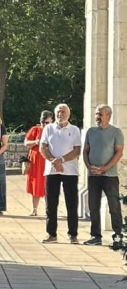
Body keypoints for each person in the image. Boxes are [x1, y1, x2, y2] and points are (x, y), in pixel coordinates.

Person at [40, 103, 82, 244]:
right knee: (51, 203)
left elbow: (77, 150)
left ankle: (73, 234)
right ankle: (51, 234)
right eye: (58, 111)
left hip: (70, 171)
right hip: (51, 170)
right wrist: (53, 161)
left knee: (71, 203)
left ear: (68, 114)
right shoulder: (48, 128)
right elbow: (42, 147)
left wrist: (61, 160)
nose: (60, 114)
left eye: (63, 112)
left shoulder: (75, 129)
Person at [83, 104, 124, 246]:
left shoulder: (116, 132)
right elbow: (85, 151)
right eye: (96, 114)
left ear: (109, 116)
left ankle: (118, 237)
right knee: (93, 206)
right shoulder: (91, 132)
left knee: (114, 207)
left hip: (110, 176)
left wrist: (105, 168)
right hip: (93, 175)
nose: (97, 117)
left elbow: (119, 153)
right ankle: (96, 236)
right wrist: (89, 167)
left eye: (100, 114)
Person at [24, 111, 53, 216]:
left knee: (49, 185)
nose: (44, 125)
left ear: (51, 121)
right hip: (36, 162)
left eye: (46, 122)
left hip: (48, 161)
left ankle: (49, 209)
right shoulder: (35, 130)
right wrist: (36, 142)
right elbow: (26, 143)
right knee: (36, 184)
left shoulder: (54, 131)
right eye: (42, 122)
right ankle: (34, 208)